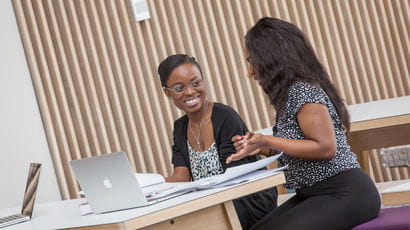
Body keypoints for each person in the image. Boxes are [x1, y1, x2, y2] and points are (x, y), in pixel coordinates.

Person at [226, 17, 381, 230]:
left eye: (252, 61)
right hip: (314, 193)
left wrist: (268, 139)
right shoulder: (289, 94)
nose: (250, 72)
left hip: (345, 193)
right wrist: (264, 148)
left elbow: (325, 148)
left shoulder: (303, 90)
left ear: (271, 58)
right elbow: (298, 147)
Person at [157, 54, 278, 229]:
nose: (190, 91)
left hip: (248, 202)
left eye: (195, 83)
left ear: (203, 81)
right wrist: (148, 187)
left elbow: (234, 178)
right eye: (179, 88)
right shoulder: (180, 128)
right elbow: (180, 178)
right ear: (167, 92)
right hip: (212, 205)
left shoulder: (225, 117)